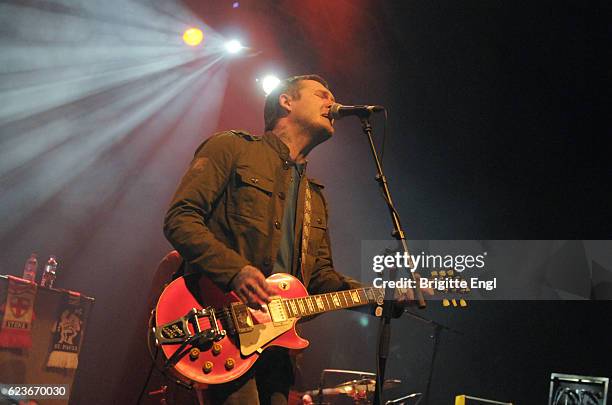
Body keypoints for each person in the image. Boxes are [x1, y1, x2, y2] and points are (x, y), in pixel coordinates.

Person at [163, 75, 424, 405]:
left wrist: (380, 296)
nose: (333, 103)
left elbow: (321, 280)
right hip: (220, 327)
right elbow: (180, 218)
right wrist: (235, 272)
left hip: (278, 349)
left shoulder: (315, 197)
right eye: (321, 95)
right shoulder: (231, 147)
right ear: (286, 101)